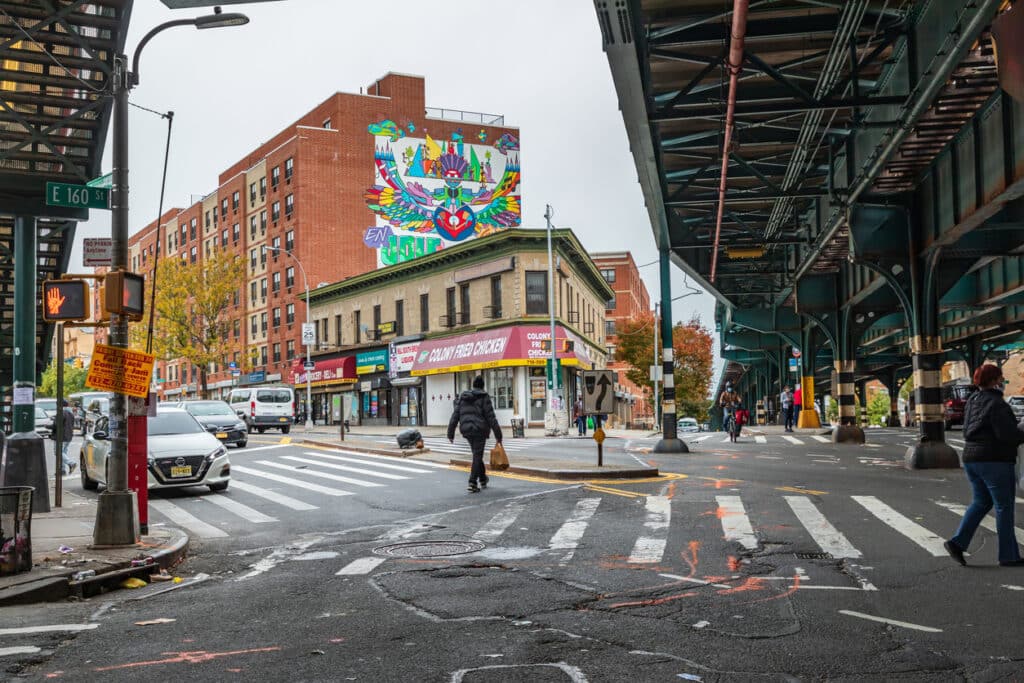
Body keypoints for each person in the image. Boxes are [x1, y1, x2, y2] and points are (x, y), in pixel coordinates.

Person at [944, 364, 1024, 567]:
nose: (1003, 381)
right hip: (995, 461)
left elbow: (967, 430)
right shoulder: (998, 404)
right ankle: (1009, 555)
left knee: (981, 502)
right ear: (994, 380)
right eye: (1001, 378)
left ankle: (958, 542)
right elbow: (1007, 436)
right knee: (1004, 507)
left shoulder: (973, 400)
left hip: (972, 459)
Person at [447, 375, 503, 493]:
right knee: (477, 456)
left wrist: (450, 433)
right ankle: (472, 482)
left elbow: (455, 415)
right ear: (483, 386)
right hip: (479, 430)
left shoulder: (464, 397)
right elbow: (491, 418)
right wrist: (499, 436)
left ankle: (482, 478)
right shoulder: (484, 397)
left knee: (477, 455)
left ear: (473, 385)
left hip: (466, 430)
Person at [49, 399, 75, 476]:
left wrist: (47, 426)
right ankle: (62, 470)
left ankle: (71, 463)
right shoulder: (71, 413)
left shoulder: (61, 413)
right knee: (63, 453)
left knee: (58, 452)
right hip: (68, 436)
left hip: (60, 436)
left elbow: (56, 425)